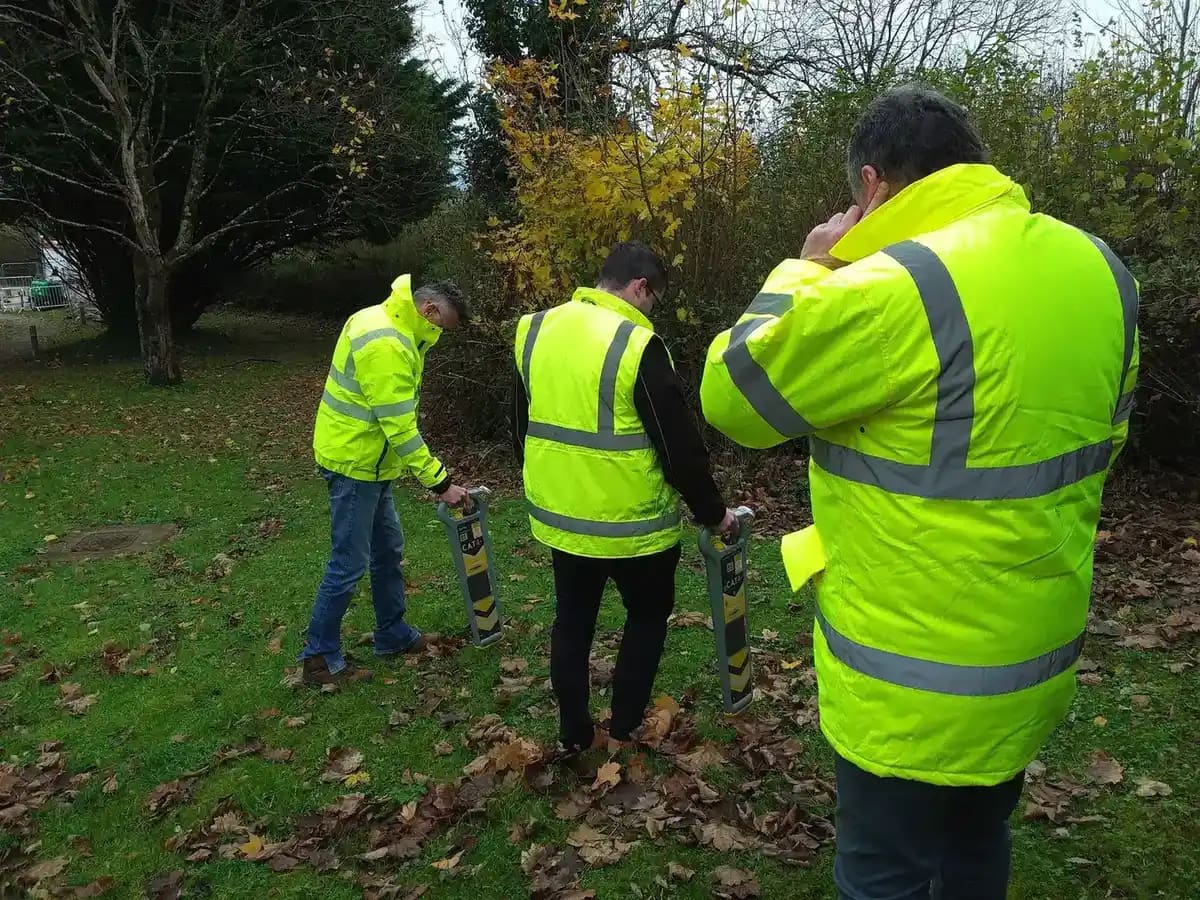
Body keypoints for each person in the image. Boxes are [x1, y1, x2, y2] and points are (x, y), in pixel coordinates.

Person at [700, 86, 1138, 900]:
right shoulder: (1101, 271)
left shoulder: (897, 285)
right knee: (978, 847)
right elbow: (1104, 442)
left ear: (871, 187)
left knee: (886, 874)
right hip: (1030, 663)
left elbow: (733, 397)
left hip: (908, 681)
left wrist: (812, 263)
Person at [512, 241, 739, 752]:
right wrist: (713, 513)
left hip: (562, 518)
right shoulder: (637, 344)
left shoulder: (534, 328)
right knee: (645, 618)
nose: (652, 310)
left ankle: (574, 732)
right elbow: (678, 445)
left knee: (571, 623)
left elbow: (520, 425)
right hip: (634, 526)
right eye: (654, 299)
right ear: (640, 287)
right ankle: (624, 724)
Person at [302, 275, 474, 686]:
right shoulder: (387, 343)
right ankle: (319, 659)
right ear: (428, 310)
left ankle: (392, 633)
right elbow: (399, 428)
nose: (439, 337)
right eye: (441, 327)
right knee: (349, 562)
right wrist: (441, 483)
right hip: (354, 463)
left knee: (387, 550)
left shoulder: (385, 322)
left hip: (369, 462)